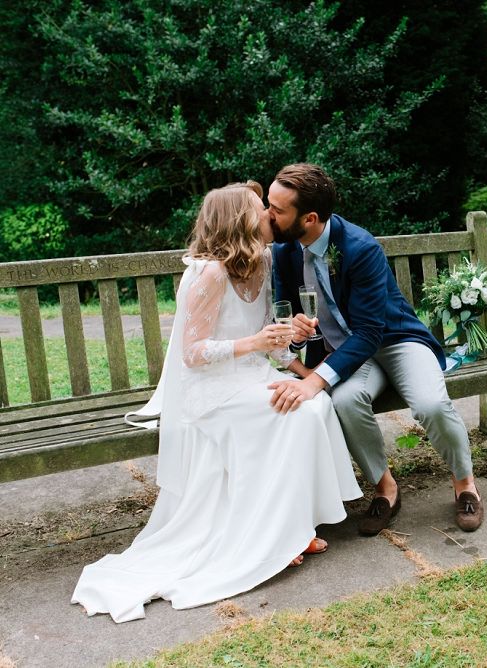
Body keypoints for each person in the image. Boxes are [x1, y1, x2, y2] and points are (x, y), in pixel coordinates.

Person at [71, 182, 361, 623]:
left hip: (250, 375)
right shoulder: (207, 273)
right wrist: (253, 343)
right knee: (293, 414)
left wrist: (292, 346)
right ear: (239, 221)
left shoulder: (262, 261)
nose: (269, 215)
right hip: (211, 389)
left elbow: (269, 336)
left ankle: (294, 524)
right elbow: (193, 353)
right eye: (259, 210)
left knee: (314, 406)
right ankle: (277, 535)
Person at [268, 163, 483, 536]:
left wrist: (314, 380)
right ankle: (386, 488)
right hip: (346, 351)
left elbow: (369, 331)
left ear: (310, 218)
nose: (267, 214)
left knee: (431, 404)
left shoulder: (359, 247)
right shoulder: (284, 250)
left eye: (277, 209)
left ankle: (465, 484)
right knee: (345, 401)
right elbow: (289, 317)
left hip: (396, 340)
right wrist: (297, 334)